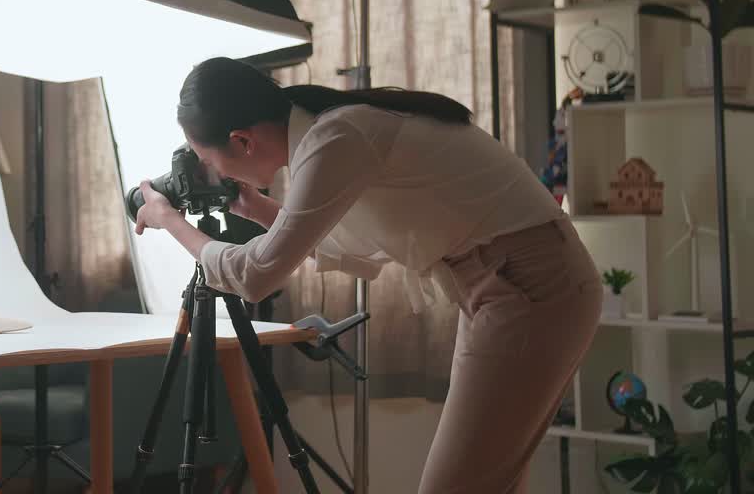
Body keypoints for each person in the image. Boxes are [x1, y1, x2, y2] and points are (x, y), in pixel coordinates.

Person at [133, 56, 601, 494]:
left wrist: (169, 221)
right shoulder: (331, 131)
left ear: (241, 141)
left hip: (529, 288)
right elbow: (349, 245)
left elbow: (257, 275)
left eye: (210, 160)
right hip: (508, 286)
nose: (212, 171)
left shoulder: (335, 138)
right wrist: (256, 209)